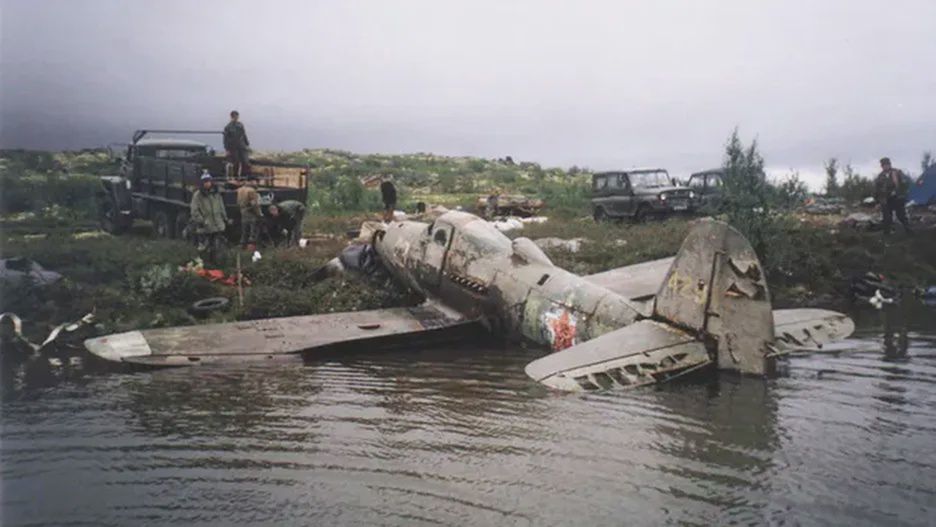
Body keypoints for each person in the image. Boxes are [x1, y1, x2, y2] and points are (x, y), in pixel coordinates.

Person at [190, 173, 230, 261]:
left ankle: (217, 262)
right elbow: (194, 211)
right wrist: (202, 221)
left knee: (217, 246)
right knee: (204, 247)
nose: (207, 183)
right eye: (205, 182)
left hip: (217, 225)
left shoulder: (216, 194)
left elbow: (221, 207)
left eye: (208, 181)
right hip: (206, 226)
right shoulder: (198, 195)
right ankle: (203, 262)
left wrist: (225, 218)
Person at [875, 157, 913, 235]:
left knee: (901, 215)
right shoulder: (880, 176)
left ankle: (909, 231)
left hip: (897, 198)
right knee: (887, 218)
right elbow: (877, 189)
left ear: (889, 164)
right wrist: (878, 201)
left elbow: (906, 183)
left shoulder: (897, 172)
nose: (885, 166)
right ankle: (887, 234)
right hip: (886, 199)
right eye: (883, 165)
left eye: (886, 164)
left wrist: (901, 192)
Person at [223, 110, 250, 178]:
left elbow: (244, 134)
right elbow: (225, 139)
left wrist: (247, 143)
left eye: (237, 117)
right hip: (233, 147)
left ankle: (244, 177)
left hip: (242, 146)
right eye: (235, 117)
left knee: (245, 162)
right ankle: (235, 177)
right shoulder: (228, 127)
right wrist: (227, 149)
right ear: (232, 117)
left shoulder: (240, 125)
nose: (236, 118)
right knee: (236, 163)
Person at [236, 176, 262, 249]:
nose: (257, 183)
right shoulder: (251, 191)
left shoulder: (240, 189)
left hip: (243, 212)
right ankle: (251, 247)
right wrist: (259, 214)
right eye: (256, 181)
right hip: (251, 212)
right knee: (253, 231)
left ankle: (242, 246)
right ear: (252, 181)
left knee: (244, 230)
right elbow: (254, 204)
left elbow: (238, 202)